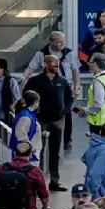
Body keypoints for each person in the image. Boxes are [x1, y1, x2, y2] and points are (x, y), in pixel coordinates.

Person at [23, 31, 81, 148]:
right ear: (51, 42)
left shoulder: (69, 53)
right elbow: (31, 67)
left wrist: (77, 87)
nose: (62, 43)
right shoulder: (41, 53)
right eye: (59, 41)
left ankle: (66, 140)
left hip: (65, 86)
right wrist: (24, 77)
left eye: (63, 41)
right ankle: (44, 135)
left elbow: (75, 71)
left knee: (66, 113)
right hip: (48, 86)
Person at [23, 55, 73, 190]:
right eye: (53, 62)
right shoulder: (35, 81)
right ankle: (37, 181)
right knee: (39, 151)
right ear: (45, 64)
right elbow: (26, 96)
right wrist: (33, 112)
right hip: (41, 121)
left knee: (55, 152)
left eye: (58, 63)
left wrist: (66, 110)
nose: (56, 65)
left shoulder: (62, 81)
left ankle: (54, 182)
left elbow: (69, 97)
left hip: (58, 121)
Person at [77, 53, 105, 135]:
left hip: (99, 122)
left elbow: (98, 104)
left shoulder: (98, 81)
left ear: (95, 64)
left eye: (90, 62)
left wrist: (85, 110)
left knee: (97, 146)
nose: (89, 64)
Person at [81, 121, 105, 199]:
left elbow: (85, 158)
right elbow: (95, 174)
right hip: (103, 194)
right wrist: (96, 196)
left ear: (100, 132)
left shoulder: (92, 145)